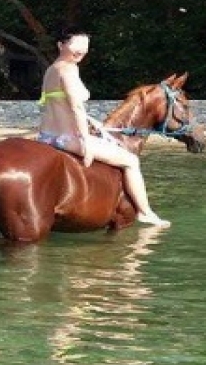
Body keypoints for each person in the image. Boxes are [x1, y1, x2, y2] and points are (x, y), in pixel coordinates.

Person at [36, 27, 170, 226]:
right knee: (131, 161)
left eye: (86, 46)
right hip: (65, 138)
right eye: (76, 45)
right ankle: (145, 212)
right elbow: (76, 108)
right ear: (61, 45)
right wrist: (87, 143)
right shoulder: (68, 70)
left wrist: (94, 123)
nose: (82, 50)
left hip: (46, 136)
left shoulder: (52, 69)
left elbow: (58, 104)